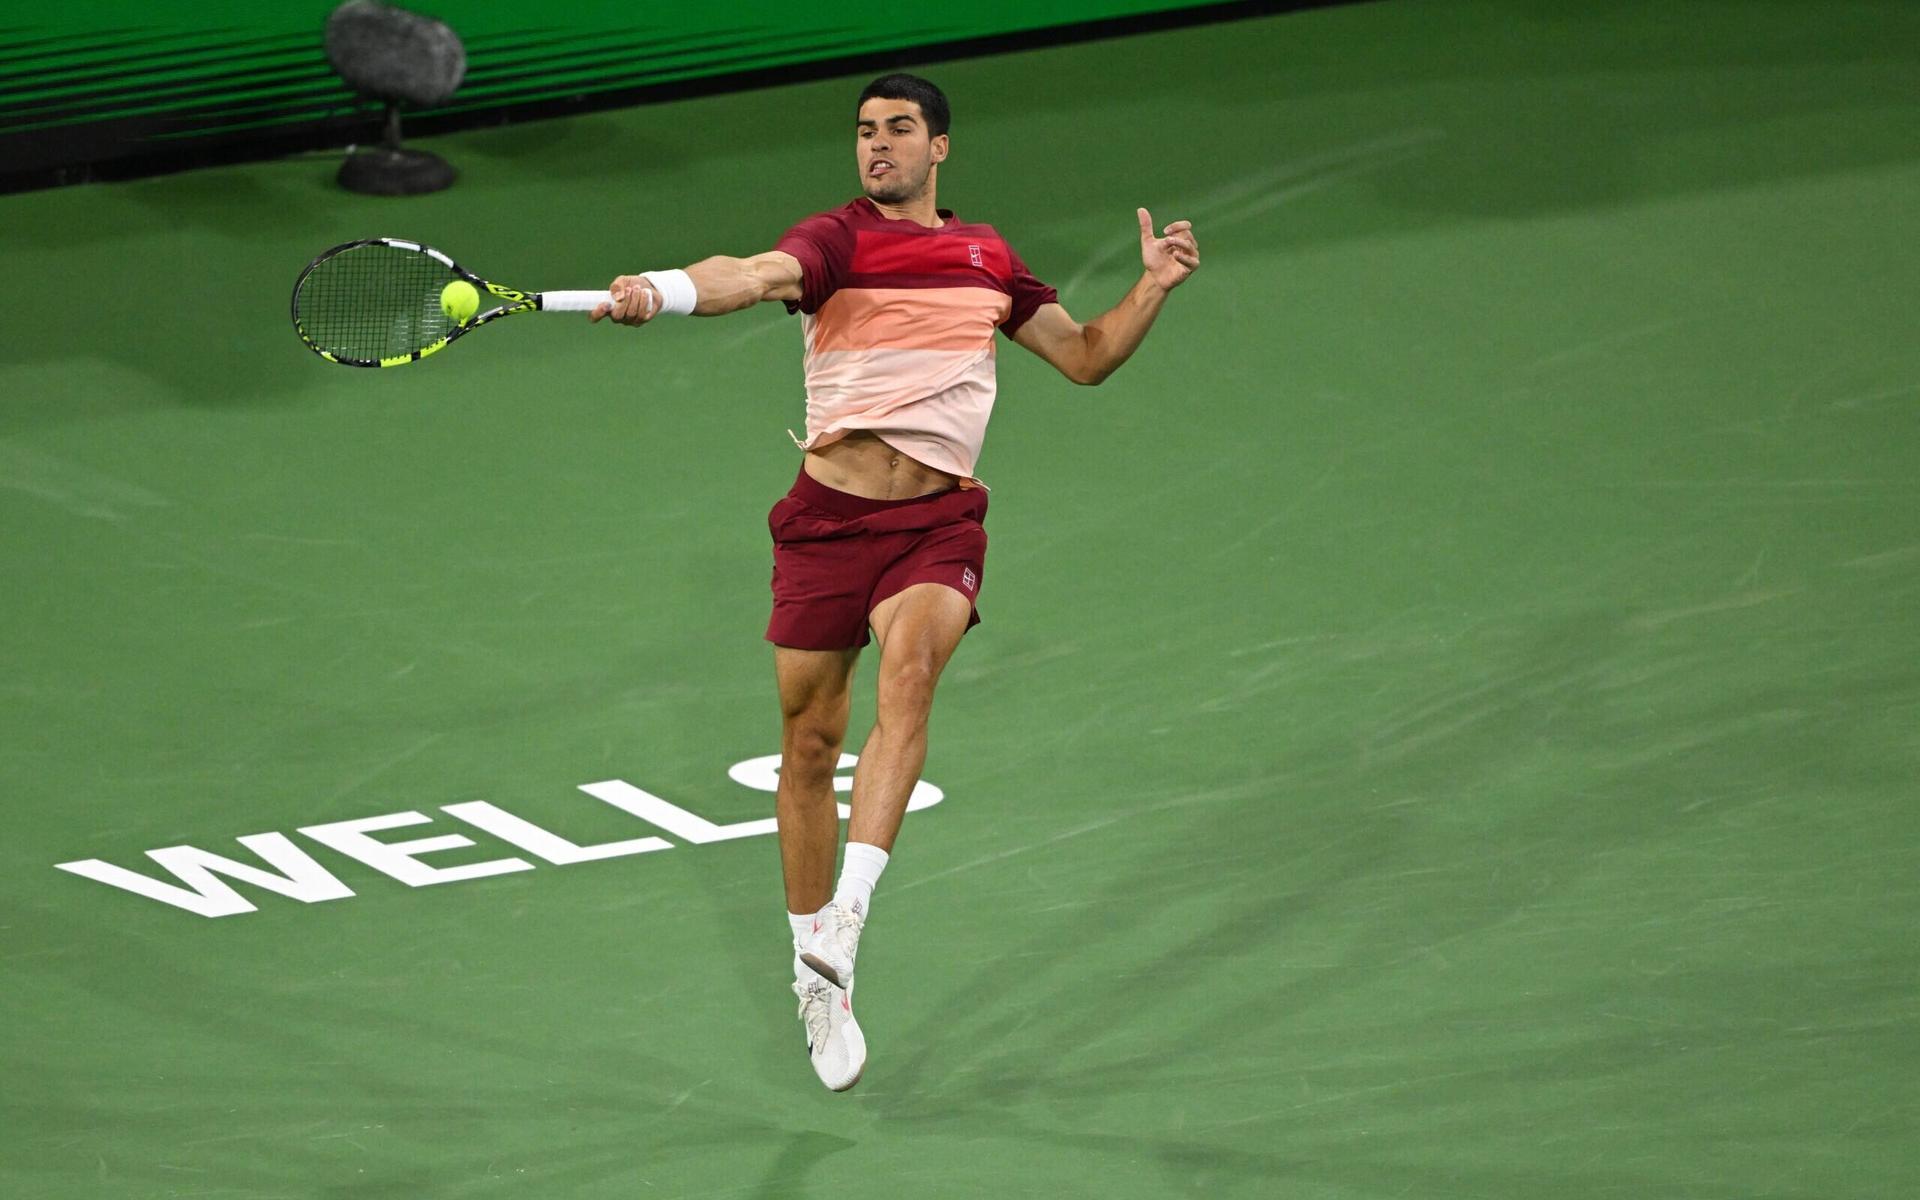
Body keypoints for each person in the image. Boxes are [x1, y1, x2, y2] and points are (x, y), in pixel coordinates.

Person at [591, 72, 1199, 1091]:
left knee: (909, 677)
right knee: (808, 743)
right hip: (826, 525)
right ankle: (814, 975)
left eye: (900, 129)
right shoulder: (835, 241)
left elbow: (1087, 357)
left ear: (939, 147)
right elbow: (750, 274)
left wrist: (1154, 287)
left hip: (935, 523)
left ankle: (848, 917)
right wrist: (667, 287)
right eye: (866, 131)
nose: (878, 145)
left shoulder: (987, 256)